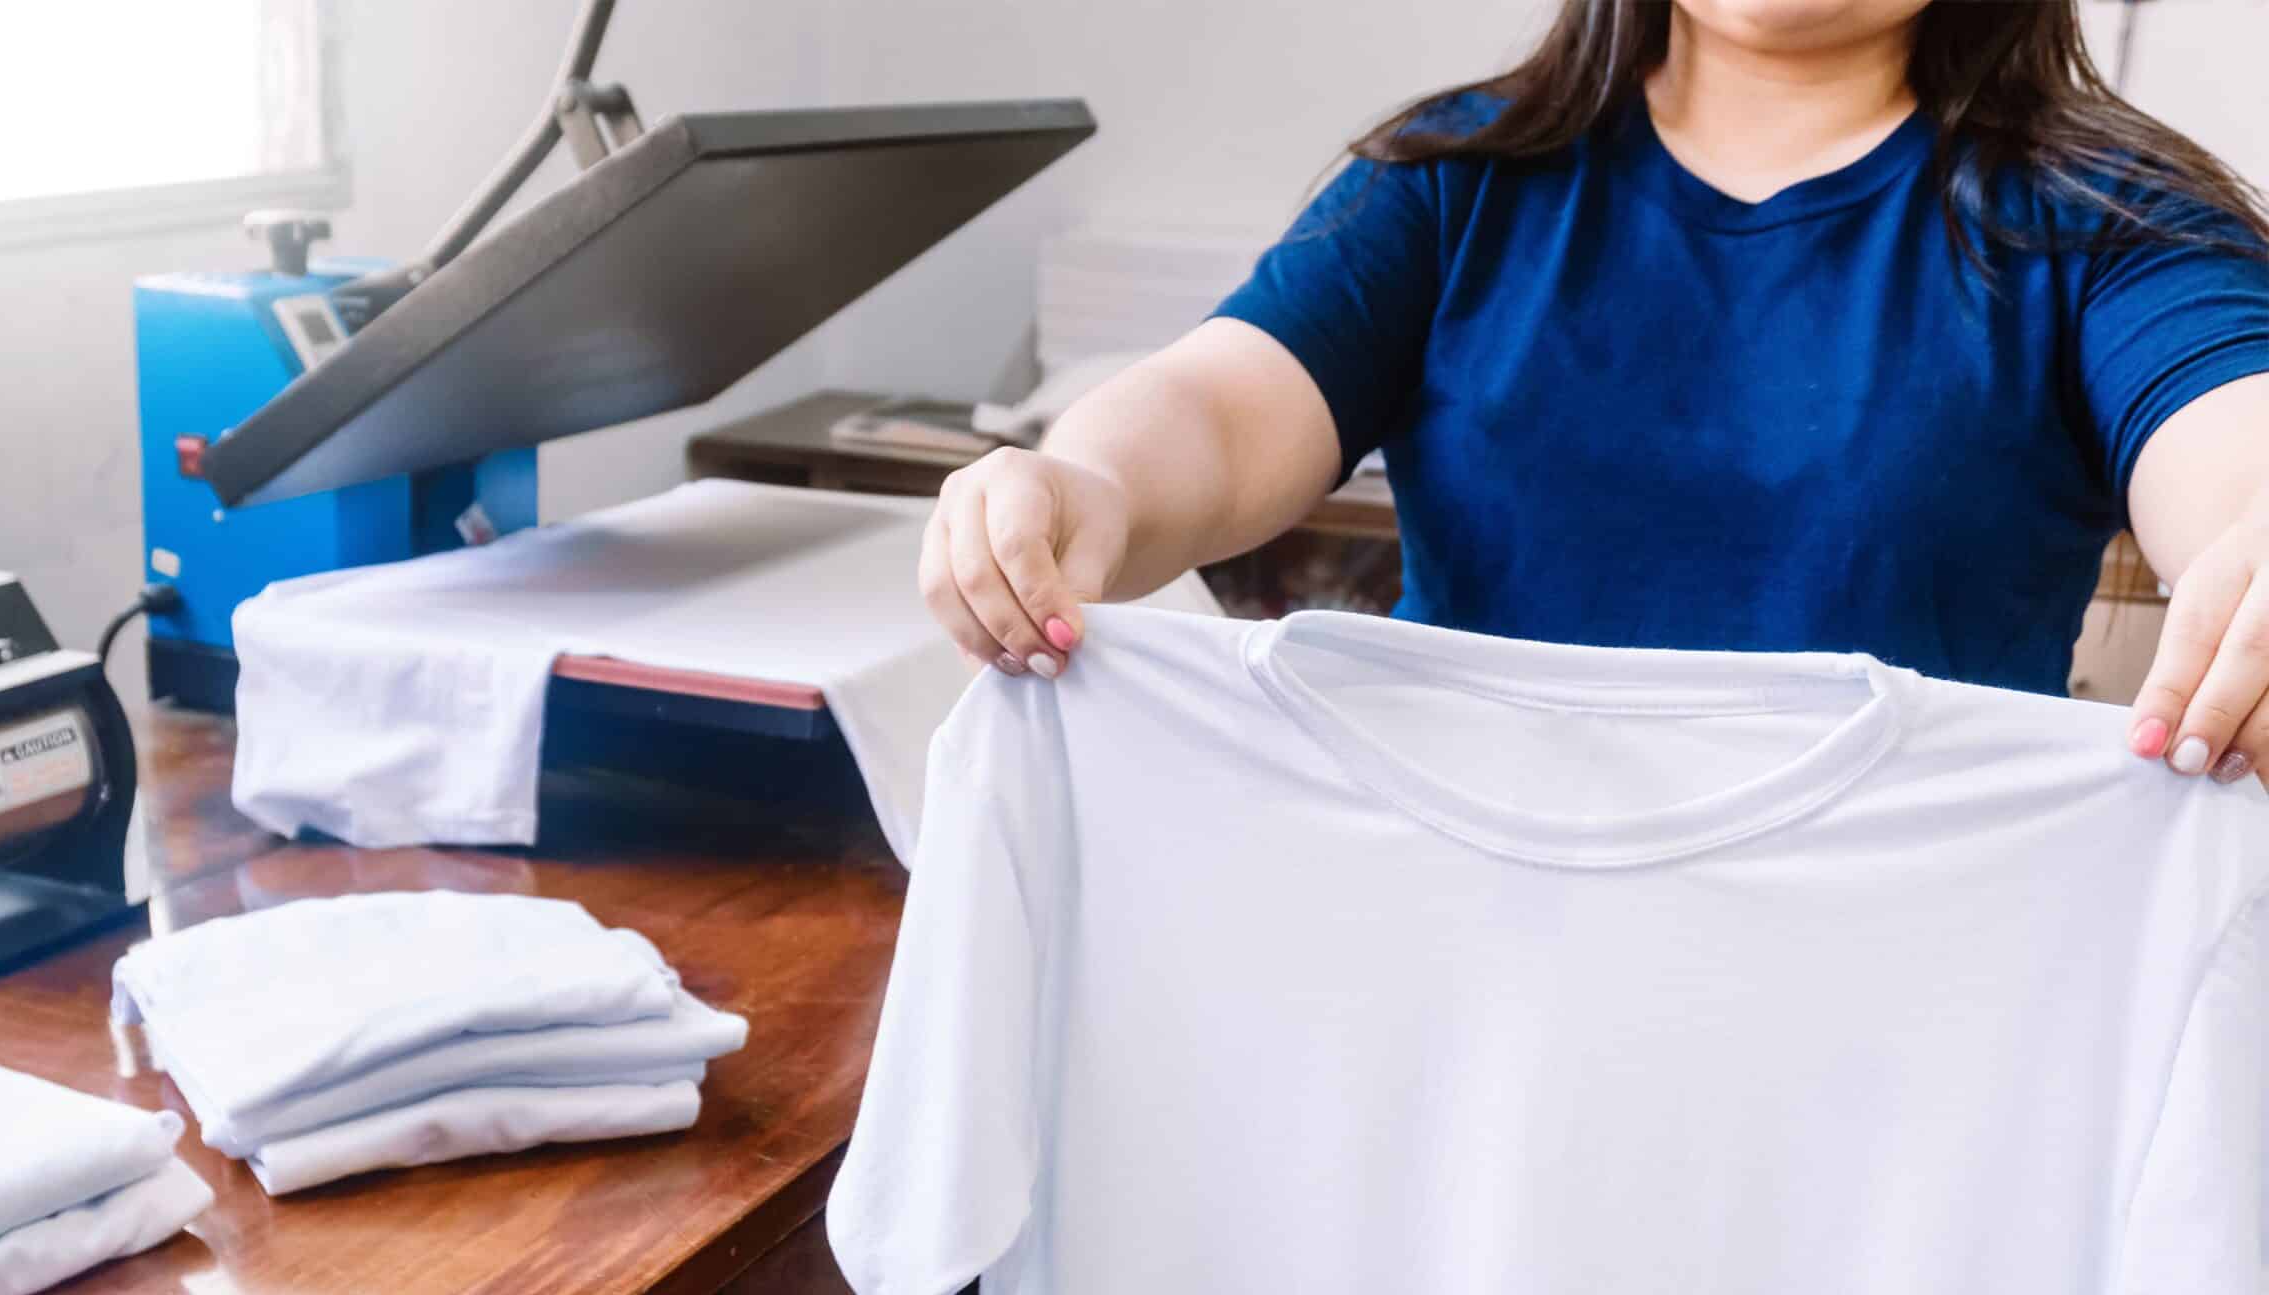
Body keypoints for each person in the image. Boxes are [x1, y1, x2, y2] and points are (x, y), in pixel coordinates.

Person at [922, 0, 2269, 784]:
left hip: (1901, 992)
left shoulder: (2111, 220)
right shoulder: (1454, 181)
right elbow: (1219, 409)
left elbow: (2232, 446)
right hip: (1461, 953)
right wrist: (1081, 482)